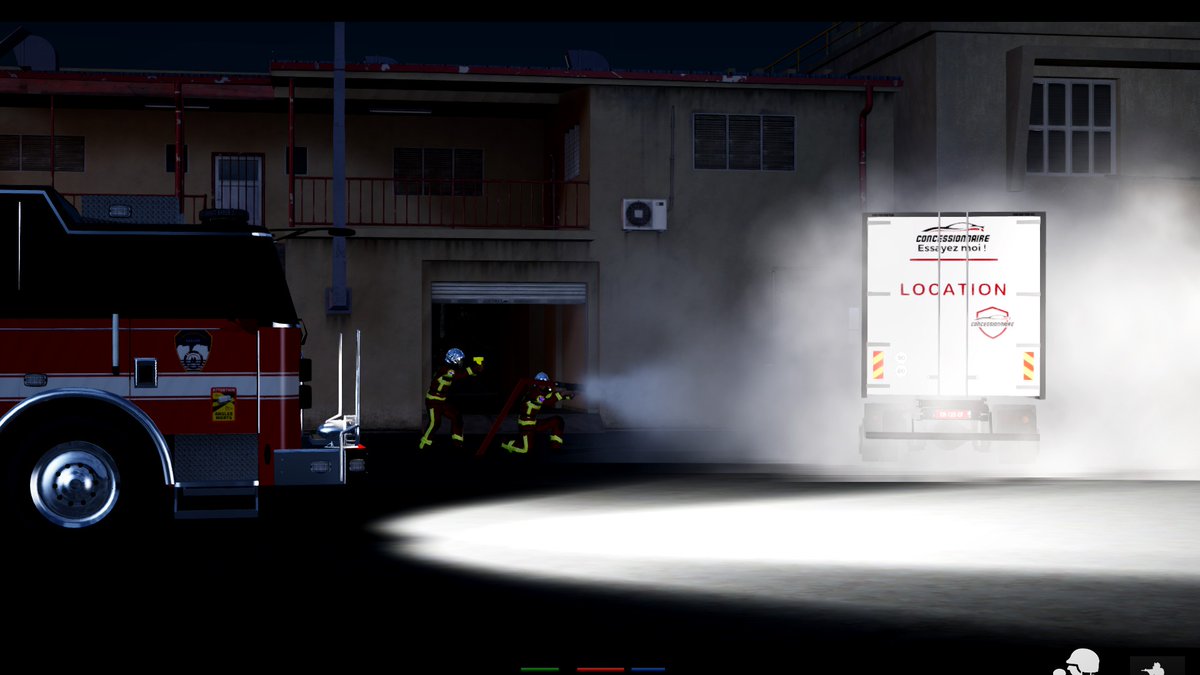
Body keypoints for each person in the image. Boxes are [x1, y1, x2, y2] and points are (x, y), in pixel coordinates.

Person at [418, 347, 484, 450]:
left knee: (456, 416)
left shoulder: (450, 369)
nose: (461, 362)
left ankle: (458, 442)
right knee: (435, 423)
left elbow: (461, 374)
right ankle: (424, 445)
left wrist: (475, 370)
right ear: (454, 359)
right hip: (433, 401)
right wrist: (473, 369)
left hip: (442, 400)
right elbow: (458, 375)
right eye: (460, 359)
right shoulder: (446, 370)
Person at [501, 372, 574, 455]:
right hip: (526, 425)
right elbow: (546, 401)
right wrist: (561, 394)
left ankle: (555, 447)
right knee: (525, 450)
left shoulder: (542, 392)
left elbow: (550, 396)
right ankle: (506, 443)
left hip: (534, 422)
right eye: (541, 383)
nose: (543, 385)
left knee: (557, 421)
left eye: (545, 382)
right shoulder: (534, 394)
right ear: (536, 383)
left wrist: (569, 396)